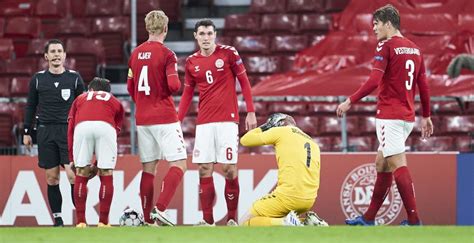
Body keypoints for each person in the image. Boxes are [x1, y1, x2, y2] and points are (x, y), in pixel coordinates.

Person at [336, 4, 434, 226]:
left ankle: (414, 219)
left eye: (376, 23)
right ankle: (368, 218)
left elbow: (373, 80)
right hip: (407, 117)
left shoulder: (386, 46)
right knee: (382, 163)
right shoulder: (415, 49)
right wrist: (426, 116)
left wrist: (349, 100)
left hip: (389, 116)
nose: (373, 28)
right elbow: (424, 85)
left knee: (398, 163)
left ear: (388, 24)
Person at [178, 19, 257, 226]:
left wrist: (250, 111)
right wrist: (177, 121)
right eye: (202, 34)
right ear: (195, 36)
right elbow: (187, 94)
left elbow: (244, 82)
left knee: (229, 169)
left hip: (228, 121)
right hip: (204, 122)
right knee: (204, 169)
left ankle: (231, 218)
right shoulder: (191, 62)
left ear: (215, 35)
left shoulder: (229, 53)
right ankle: (207, 220)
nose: (206, 37)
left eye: (209, 33)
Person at [127, 10, 187, 226]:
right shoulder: (167, 54)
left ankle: (146, 219)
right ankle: (160, 209)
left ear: (147, 28)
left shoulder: (135, 53)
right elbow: (174, 86)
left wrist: (144, 102)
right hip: (164, 116)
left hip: (142, 118)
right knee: (179, 163)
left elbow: (130, 87)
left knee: (148, 168)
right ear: (165, 29)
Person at [23, 39, 85, 227]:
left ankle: (81, 219)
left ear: (65, 55)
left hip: (68, 131)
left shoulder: (74, 78)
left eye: (60, 51)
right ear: (46, 56)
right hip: (45, 131)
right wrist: (27, 131)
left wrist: (82, 129)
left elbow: (83, 105)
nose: (57, 54)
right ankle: (58, 219)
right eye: (53, 51)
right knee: (52, 177)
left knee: (73, 175)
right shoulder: (38, 79)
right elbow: (31, 106)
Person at [239, 113, 321, 226]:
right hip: (309, 200)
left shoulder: (282, 131)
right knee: (272, 220)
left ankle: (285, 222)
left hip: (287, 197)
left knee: (243, 222)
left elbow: (245, 140)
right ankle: (307, 222)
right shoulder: (313, 143)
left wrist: (265, 126)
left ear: (278, 124)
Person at [68, 77, 124, 227]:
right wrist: (99, 163)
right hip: (106, 127)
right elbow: (115, 130)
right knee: (106, 174)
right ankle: (103, 222)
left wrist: (72, 158)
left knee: (80, 173)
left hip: (82, 128)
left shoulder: (80, 98)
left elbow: (71, 128)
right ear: (108, 92)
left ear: (90, 90)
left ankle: (80, 222)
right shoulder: (114, 100)